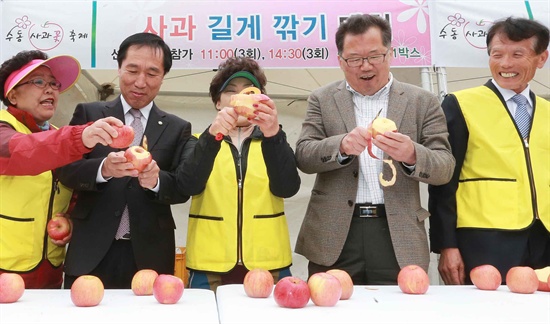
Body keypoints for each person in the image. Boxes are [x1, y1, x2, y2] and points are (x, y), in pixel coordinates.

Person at [294, 14, 455, 285]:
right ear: (340, 61)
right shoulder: (322, 99)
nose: (365, 66)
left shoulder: (422, 101)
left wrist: (413, 155)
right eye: (354, 59)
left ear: (390, 53)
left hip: (397, 232)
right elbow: (304, 156)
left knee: (399, 311)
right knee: (331, 309)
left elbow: (445, 167)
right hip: (335, 233)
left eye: (374, 56)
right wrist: (341, 146)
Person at [57, 32, 194, 289]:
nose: (140, 82)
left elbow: (181, 188)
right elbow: (66, 170)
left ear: (163, 77)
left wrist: (156, 181)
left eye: (152, 73)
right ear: (119, 68)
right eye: (132, 70)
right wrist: (103, 169)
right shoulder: (90, 113)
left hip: (149, 251)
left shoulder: (177, 127)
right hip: (92, 247)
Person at [428, 17, 549, 285]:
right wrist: (446, 245)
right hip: (483, 240)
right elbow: (443, 182)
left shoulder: (548, 111)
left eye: (518, 54)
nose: (505, 64)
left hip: (544, 239)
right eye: (497, 54)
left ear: (542, 58)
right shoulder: (460, 104)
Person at [0, 50, 124, 288]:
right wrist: (81, 137)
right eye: (38, 82)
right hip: (6, 269)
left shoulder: (57, 136)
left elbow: (71, 189)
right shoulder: (5, 128)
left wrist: (70, 219)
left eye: (53, 84)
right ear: (13, 95)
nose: (50, 89)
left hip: (51, 269)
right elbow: (23, 151)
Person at [177, 57, 300, 291]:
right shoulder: (197, 142)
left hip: (269, 262)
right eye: (231, 91)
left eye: (249, 91)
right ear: (217, 103)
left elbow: (288, 187)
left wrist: (272, 132)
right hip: (209, 263)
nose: (241, 97)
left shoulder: (274, 140)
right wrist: (213, 135)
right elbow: (186, 186)